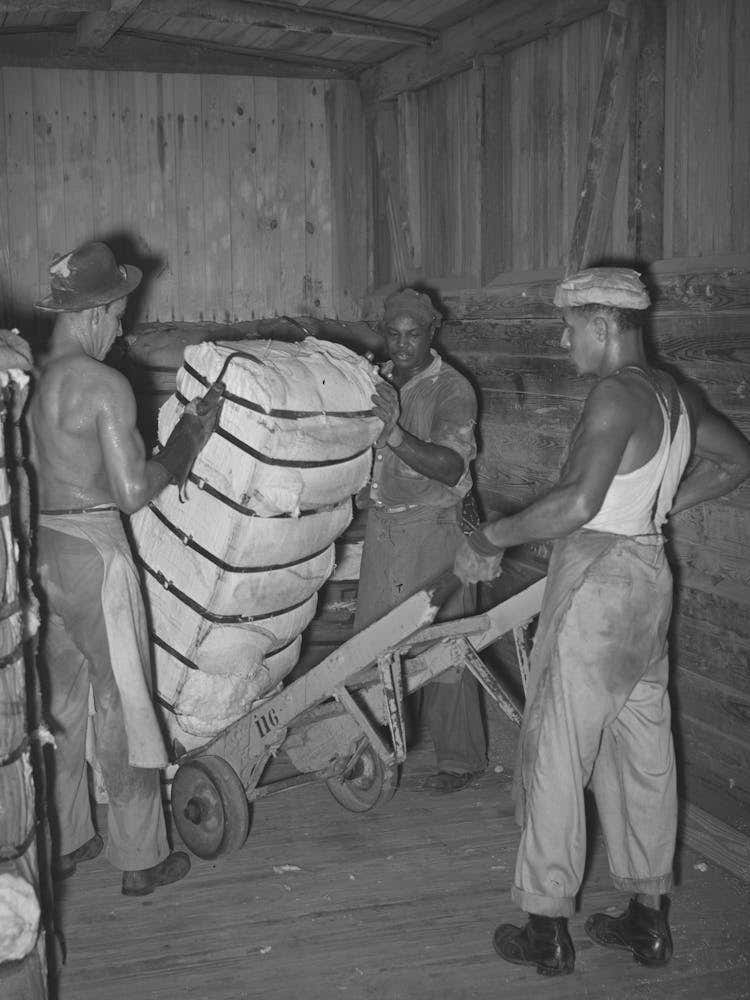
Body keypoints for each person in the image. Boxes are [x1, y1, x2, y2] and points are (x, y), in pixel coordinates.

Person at [454, 267, 750, 975]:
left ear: (603, 325)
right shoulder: (675, 395)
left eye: (569, 328)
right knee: (643, 750)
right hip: (649, 580)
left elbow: (579, 505)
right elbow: (736, 463)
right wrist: (660, 506)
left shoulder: (616, 394)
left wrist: (489, 539)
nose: (565, 342)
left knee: (557, 748)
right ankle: (648, 920)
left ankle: (546, 925)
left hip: (600, 586)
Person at [27, 241, 221, 896]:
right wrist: (189, 439)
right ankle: (139, 857)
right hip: (93, 551)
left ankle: (67, 837)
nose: (120, 328)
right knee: (121, 702)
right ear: (96, 311)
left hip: (40, 549)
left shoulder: (28, 378)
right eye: (117, 315)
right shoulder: (102, 386)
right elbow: (133, 490)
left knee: (59, 701)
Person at [353, 287, 486, 793]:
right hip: (385, 528)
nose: (402, 344)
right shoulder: (379, 380)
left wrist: (394, 434)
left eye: (413, 334)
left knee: (444, 648)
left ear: (433, 331)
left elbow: (451, 467)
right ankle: (375, 745)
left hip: (435, 528)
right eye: (393, 334)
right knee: (371, 645)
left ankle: (460, 760)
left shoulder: (452, 388)